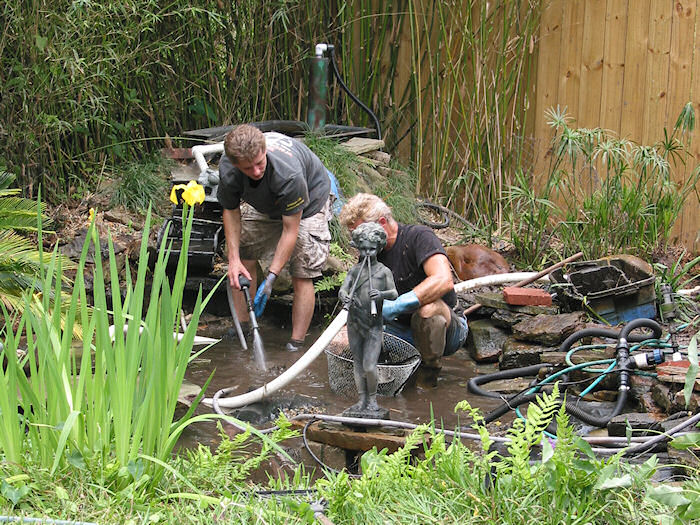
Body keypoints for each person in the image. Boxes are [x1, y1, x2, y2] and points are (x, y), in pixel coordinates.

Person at [217, 124, 332, 352]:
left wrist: (272, 277)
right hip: (263, 203)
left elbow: (290, 230)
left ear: (265, 151)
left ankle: (296, 344)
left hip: (308, 204)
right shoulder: (229, 169)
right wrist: (233, 259)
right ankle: (243, 327)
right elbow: (230, 211)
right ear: (236, 164)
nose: (256, 171)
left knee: (302, 270)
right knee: (244, 254)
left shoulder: (288, 174)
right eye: (248, 168)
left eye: (260, 164)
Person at [339, 193, 469, 387]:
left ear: (382, 223)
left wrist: (397, 305)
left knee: (428, 310)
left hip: (447, 331)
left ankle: (428, 377)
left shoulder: (418, 237)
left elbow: (443, 280)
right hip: (398, 331)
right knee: (342, 339)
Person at [338, 222, 397, 414]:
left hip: (373, 325)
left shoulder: (383, 272)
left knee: (370, 365)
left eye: (371, 249)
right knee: (357, 362)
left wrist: (380, 295)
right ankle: (361, 399)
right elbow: (343, 288)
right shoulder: (355, 271)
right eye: (363, 249)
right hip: (355, 322)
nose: (367, 253)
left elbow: (394, 294)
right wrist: (344, 295)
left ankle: (372, 400)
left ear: (379, 248)